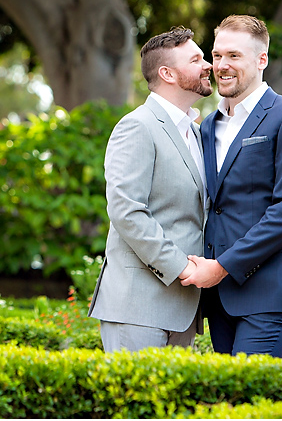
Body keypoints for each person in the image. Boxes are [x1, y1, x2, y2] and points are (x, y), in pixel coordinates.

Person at [181, 14, 282, 358]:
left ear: (262, 59)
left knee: (245, 403)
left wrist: (222, 266)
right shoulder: (206, 127)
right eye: (217, 56)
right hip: (219, 295)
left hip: (271, 288)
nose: (221, 65)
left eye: (234, 56)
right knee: (226, 401)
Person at [88, 26, 212, 352]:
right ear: (167, 73)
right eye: (196, 59)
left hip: (184, 309)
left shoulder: (198, 135)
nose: (208, 65)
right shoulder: (137, 126)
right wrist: (183, 267)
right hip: (137, 307)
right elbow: (127, 211)